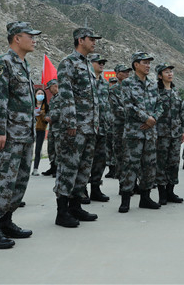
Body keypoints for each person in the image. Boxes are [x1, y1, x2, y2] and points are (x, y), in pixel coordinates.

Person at [0, 21, 41, 249]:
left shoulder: (23, 64)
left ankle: (6, 222)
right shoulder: (3, 63)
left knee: (18, 182)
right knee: (1, 182)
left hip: (24, 135)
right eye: (30, 35)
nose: (34, 40)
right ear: (17, 38)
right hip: (8, 136)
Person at [54, 27, 103, 227]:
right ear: (80, 40)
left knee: (83, 169)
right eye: (91, 39)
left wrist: (96, 124)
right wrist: (70, 123)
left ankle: (75, 207)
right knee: (68, 168)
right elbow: (66, 95)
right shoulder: (68, 63)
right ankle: (62, 212)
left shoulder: (87, 65)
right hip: (75, 127)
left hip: (90, 127)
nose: (94, 42)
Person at [118, 52, 163, 213]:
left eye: (149, 63)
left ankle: (145, 198)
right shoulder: (127, 83)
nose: (148, 65)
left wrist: (154, 118)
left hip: (150, 133)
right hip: (134, 133)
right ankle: (125, 200)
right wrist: (145, 118)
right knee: (130, 166)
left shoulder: (153, 84)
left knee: (149, 166)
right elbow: (128, 106)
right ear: (136, 64)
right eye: (145, 62)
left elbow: (160, 105)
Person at [155, 63, 184, 205]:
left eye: (171, 71)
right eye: (166, 72)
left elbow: (180, 113)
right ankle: (162, 193)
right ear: (160, 76)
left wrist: (182, 130)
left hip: (176, 133)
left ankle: (171, 191)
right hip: (161, 134)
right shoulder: (156, 92)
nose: (170, 74)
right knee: (161, 163)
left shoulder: (175, 92)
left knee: (174, 162)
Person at [87, 53, 112, 202]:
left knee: (100, 160)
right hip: (88, 128)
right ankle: (81, 190)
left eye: (103, 63)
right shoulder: (86, 81)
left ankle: (95, 189)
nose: (102, 64)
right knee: (85, 161)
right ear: (90, 64)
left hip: (102, 128)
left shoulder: (104, 83)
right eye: (99, 62)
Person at [108, 64, 131, 186]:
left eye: (128, 71)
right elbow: (117, 109)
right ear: (117, 74)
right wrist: (135, 114)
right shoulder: (113, 90)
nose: (127, 74)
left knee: (133, 156)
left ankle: (133, 183)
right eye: (124, 71)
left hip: (133, 127)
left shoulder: (133, 88)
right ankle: (123, 185)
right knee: (121, 156)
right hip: (119, 127)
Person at [41, 79, 59, 177]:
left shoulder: (62, 97)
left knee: (58, 148)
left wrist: (51, 117)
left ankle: (57, 168)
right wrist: (47, 116)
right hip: (52, 127)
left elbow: (62, 111)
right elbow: (50, 110)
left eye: (50, 88)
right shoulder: (53, 99)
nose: (50, 91)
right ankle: (52, 166)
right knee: (51, 147)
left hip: (59, 127)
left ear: (55, 86)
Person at [32, 87, 49, 176]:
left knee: (38, 150)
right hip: (31, 129)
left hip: (41, 130)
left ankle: (35, 169)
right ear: (35, 95)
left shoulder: (46, 106)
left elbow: (47, 120)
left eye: (42, 94)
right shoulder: (31, 104)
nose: (40, 95)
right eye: (38, 93)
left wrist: (43, 114)